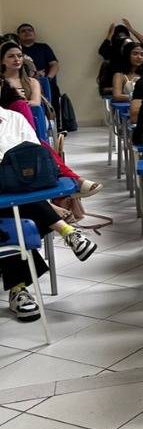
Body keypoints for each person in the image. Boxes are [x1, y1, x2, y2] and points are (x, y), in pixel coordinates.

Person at [0, 104, 99, 322]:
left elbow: (35, 161)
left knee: (15, 208)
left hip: (18, 193)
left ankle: (19, 291)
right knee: (15, 211)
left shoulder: (14, 119)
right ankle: (66, 231)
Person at [16, 23, 61, 124]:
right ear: (18, 35)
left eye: (30, 30)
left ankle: (55, 126)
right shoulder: (17, 51)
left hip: (45, 81)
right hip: (25, 82)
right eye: (23, 31)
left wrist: (48, 78)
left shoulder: (43, 47)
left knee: (52, 91)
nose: (27, 32)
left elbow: (54, 64)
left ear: (34, 33)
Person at [1, 41, 42, 107]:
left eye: (19, 56)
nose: (17, 59)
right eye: (11, 56)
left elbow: (36, 103)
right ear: (2, 60)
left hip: (26, 114)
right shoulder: (1, 82)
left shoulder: (32, 82)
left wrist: (19, 101)